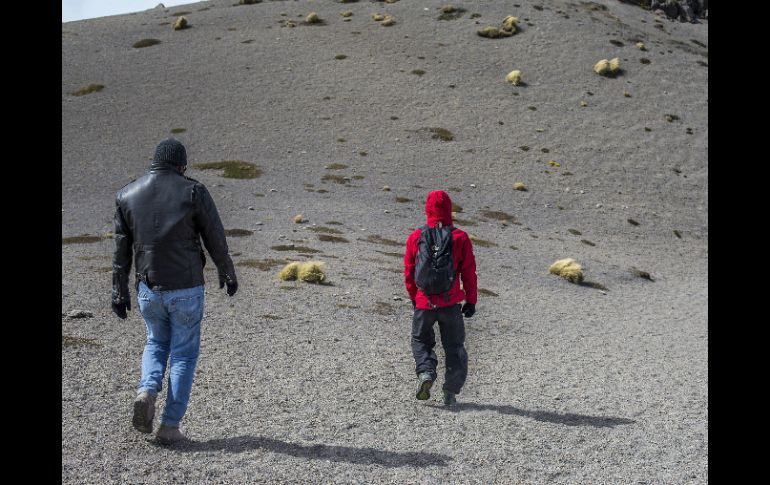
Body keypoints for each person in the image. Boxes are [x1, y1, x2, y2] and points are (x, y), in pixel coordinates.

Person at [111, 138, 238, 444]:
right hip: (186, 287)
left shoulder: (127, 194)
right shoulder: (193, 191)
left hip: (148, 288)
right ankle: (169, 426)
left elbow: (121, 250)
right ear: (181, 165)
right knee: (183, 355)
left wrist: (119, 291)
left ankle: (147, 389)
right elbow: (214, 235)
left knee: (155, 342)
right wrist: (227, 270)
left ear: (154, 162)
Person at [403, 190, 477, 406]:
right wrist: (471, 300)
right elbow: (469, 272)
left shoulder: (416, 237)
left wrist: (414, 298)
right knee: (454, 346)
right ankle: (450, 391)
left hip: (424, 302)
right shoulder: (460, 237)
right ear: (449, 209)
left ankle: (426, 373)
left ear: (427, 209)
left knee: (420, 341)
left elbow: (409, 272)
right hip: (451, 303)